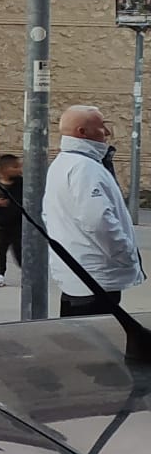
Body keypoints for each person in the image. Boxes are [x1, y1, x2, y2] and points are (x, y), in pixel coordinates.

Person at [43, 104, 145, 318]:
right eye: (102, 126)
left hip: (78, 274)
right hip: (96, 276)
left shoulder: (62, 163)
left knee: (79, 341)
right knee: (97, 344)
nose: (107, 132)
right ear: (82, 132)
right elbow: (98, 220)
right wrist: (124, 253)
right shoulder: (84, 168)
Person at [0, 152, 24, 287]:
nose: (19, 170)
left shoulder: (21, 183)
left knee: (20, 250)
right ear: (4, 169)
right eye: (15, 167)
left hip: (17, 223)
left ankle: (26, 273)